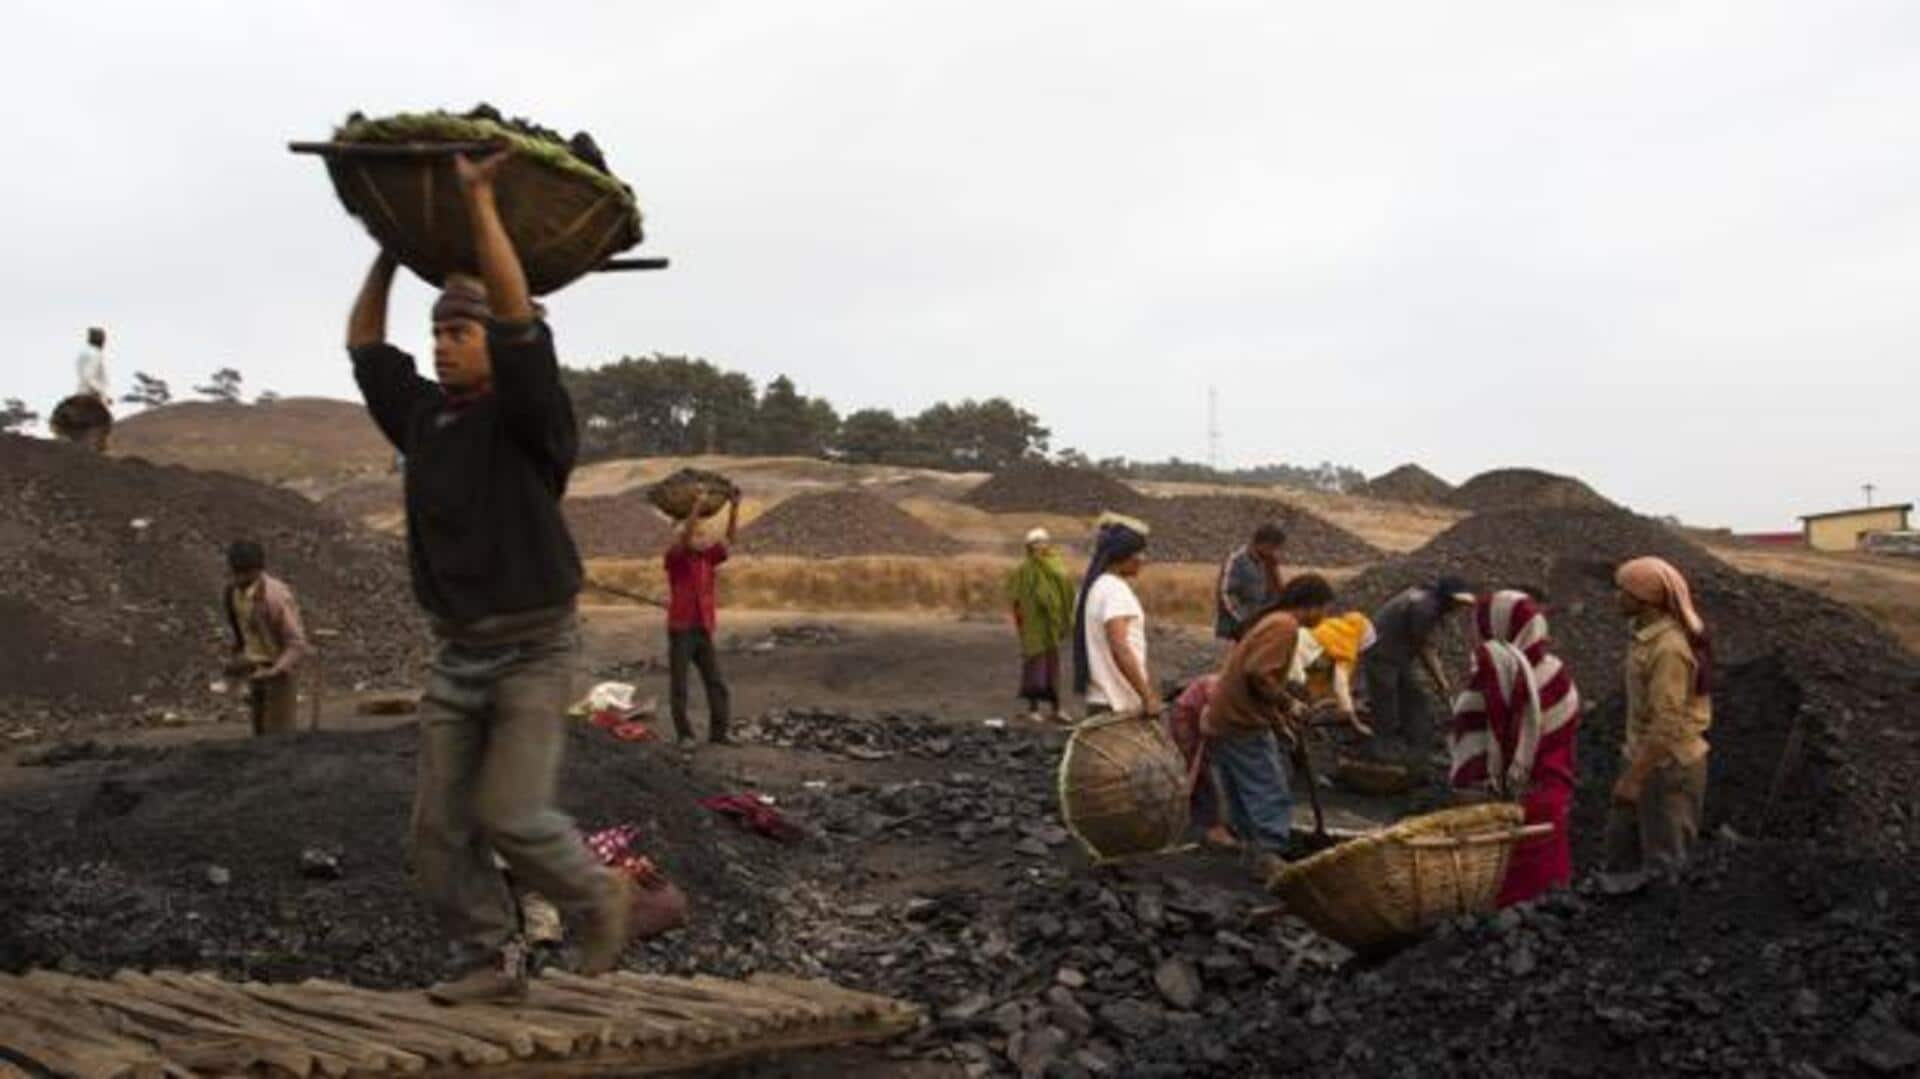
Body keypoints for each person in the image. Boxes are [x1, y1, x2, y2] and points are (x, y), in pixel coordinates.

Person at [347, 148, 629, 1004]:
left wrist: (479, 206)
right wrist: (392, 246)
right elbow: (364, 344)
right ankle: (492, 958)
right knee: (437, 830)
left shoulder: (530, 415)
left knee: (511, 813)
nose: (439, 348)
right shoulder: (425, 418)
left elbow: (519, 325)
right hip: (456, 653)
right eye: (435, 333)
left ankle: (597, 894)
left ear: (494, 345)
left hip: (535, 648)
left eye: (456, 333)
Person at [1447, 590, 1581, 906]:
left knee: (1504, 893)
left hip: (1504, 811)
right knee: (1549, 892)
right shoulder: (1557, 674)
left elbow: (1472, 752)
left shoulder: (1489, 679)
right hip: (1553, 794)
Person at [1203, 573, 1337, 877]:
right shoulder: (1284, 626)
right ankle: (1269, 853)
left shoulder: (1273, 621)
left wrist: (1279, 722)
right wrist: (1289, 703)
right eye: (1324, 608)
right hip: (1241, 719)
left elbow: (1261, 679)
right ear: (1311, 605)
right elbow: (1259, 674)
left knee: (1241, 788)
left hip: (1227, 716)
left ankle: (1254, 851)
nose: (1324, 616)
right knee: (1269, 788)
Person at [1603, 556, 1713, 893]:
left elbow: (1667, 723)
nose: (1615, 597)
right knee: (1622, 849)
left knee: (1667, 863)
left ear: (1646, 600)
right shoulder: (1645, 636)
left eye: (1623, 591)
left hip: (1668, 768)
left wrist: (1634, 779)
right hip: (1643, 757)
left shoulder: (1669, 648)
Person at [1360, 577, 1476, 769]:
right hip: (1381, 653)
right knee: (1386, 703)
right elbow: (1425, 649)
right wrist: (1441, 681)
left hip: (1399, 655)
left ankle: (1418, 753)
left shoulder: (1430, 600)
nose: (1460, 608)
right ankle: (1382, 752)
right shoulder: (1423, 608)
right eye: (1459, 603)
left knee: (1415, 699)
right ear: (1447, 598)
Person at [666, 493, 741, 745]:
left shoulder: (708, 559)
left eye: (705, 535)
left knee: (716, 682)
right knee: (680, 685)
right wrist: (695, 508)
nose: (703, 539)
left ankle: (719, 734)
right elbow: (686, 538)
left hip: (702, 628)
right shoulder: (675, 558)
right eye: (698, 535)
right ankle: (684, 735)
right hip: (681, 629)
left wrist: (734, 507)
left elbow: (730, 540)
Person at [221, 540, 310, 736]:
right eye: (236, 573)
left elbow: (296, 643)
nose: (240, 578)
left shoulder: (274, 596)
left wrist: (276, 670)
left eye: (246, 573)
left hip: (279, 673)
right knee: (259, 737)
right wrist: (238, 661)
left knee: (279, 737)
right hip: (254, 671)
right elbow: (242, 633)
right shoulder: (232, 594)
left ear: (258, 570)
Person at [1073, 515, 1155, 717]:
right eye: (1140, 553)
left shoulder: (1098, 587)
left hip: (1102, 700)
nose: (1144, 559)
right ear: (1124, 556)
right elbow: (1120, 649)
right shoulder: (1114, 592)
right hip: (1116, 703)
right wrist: (1147, 696)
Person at [1006, 527, 1075, 722]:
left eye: (1043, 542)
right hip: (1033, 626)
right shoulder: (1024, 570)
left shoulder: (1056, 565)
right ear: (1028, 547)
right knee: (1035, 665)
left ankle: (1056, 709)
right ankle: (1033, 709)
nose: (1040, 547)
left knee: (1052, 666)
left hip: (1051, 625)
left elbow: (1066, 590)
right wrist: (1021, 623)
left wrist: (1061, 616)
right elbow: (1017, 599)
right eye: (1035, 544)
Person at [1166, 674, 1237, 849]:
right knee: (1201, 772)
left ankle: (1200, 821)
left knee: (1204, 770)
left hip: (1194, 713)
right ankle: (1212, 828)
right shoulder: (1223, 690)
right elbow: (1207, 725)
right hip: (1188, 718)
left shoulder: (1232, 684)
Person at [1292, 611, 1376, 734]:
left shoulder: (1332, 626)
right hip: (1292, 664)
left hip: (1289, 641)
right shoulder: (1347, 644)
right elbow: (1340, 686)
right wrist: (1356, 723)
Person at [1215, 523, 1287, 641]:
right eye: (1273, 547)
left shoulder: (1269, 563)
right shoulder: (1236, 560)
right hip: (1236, 627)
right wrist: (1244, 620)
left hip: (1259, 624)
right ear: (1262, 543)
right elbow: (1226, 593)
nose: (1275, 551)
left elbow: (1275, 592)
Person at [76, 327, 109, 402]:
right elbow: (89, 377)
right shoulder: (95, 354)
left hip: (81, 392)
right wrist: (102, 393)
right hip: (91, 396)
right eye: (103, 339)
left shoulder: (83, 354)